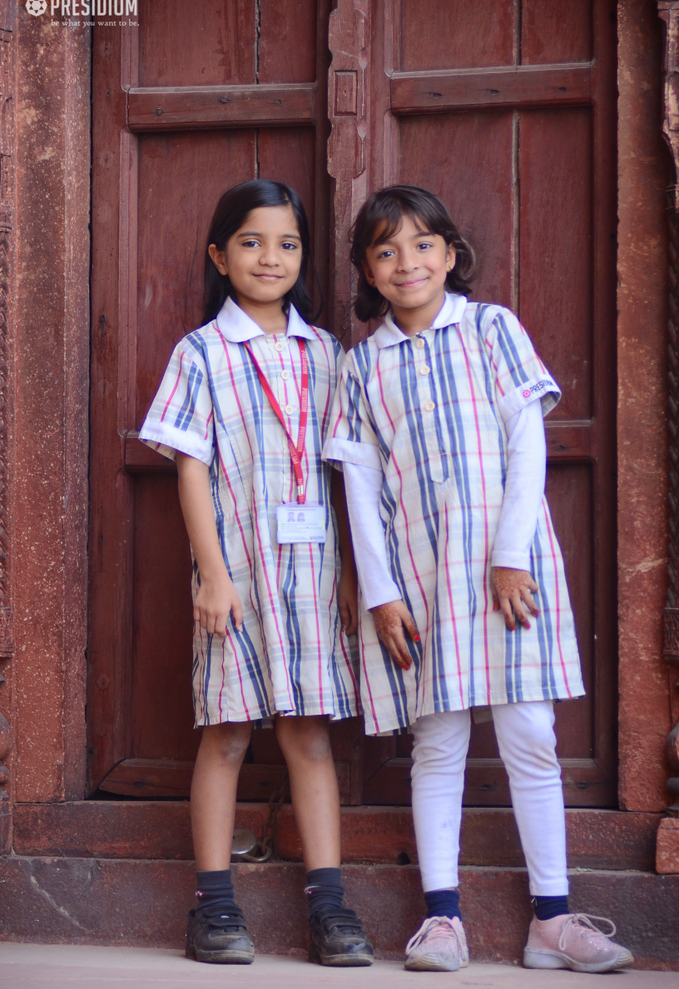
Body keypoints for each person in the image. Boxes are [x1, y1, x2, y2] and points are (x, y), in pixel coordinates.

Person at [323, 185, 633, 974]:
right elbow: (359, 487)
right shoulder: (361, 367)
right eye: (385, 250)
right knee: (439, 742)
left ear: (451, 254)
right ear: (365, 268)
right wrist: (382, 590)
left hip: (508, 570)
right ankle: (440, 920)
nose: (406, 262)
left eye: (422, 245)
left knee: (530, 734)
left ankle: (552, 920)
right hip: (420, 579)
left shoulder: (491, 329)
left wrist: (507, 554)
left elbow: (527, 445)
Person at [139, 179, 373, 967]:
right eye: (250, 241)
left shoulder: (327, 355)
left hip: (310, 574)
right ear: (219, 254)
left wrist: (350, 579)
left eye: (286, 243)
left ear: (303, 256)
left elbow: (345, 474)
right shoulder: (200, 352)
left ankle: (330, 908)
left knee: (309, 736)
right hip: (233, 576)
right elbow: (190, 468)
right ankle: (214, 907)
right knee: (228, 731)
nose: (269, 257)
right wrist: (210, 573)